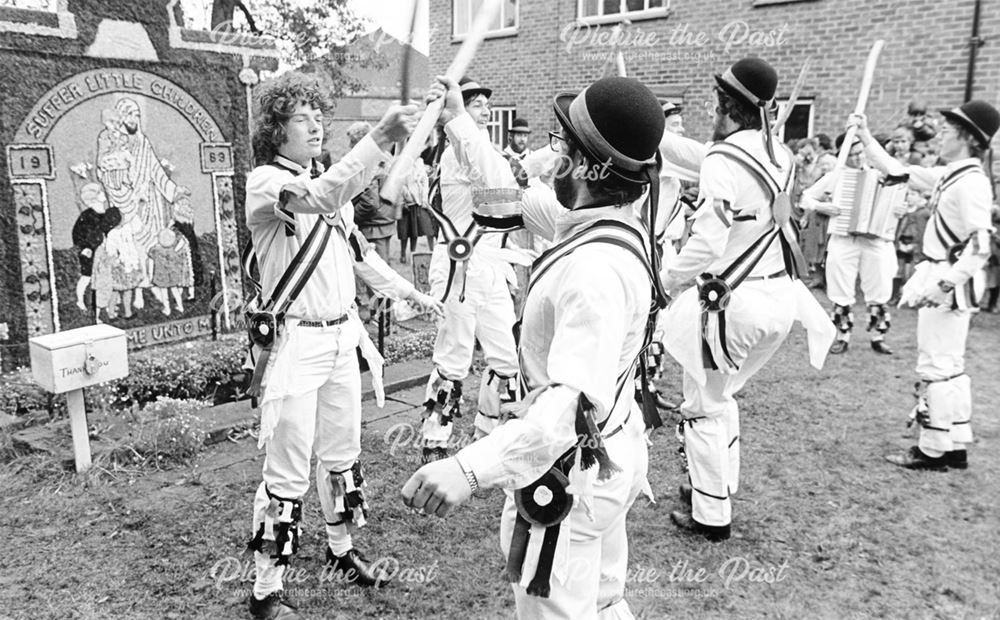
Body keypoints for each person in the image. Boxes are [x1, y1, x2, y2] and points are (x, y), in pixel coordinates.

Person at [403, 73, 664, 619]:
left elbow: (565, 408)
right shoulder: (604, 222)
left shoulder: (594, 267)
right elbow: (509, 194)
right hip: (612, 451)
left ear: (589, 166)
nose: (552, 153)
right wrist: (456, 120)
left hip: (572, 471)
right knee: (604, 603)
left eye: (563, 144)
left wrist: (468, 468)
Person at [242, 72, 440, 620]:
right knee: (286, 470)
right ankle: (265, 590)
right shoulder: (266, 184)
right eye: (301, 117)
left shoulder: (331, 189)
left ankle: (340, 550)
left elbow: (360, 256)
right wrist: (377, 137)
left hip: (341, 338)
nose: (314, 124)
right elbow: (323, 194)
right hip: (294, 345)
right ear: (275, 130)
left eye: (317, 116)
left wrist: (411, 293)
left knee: (341, 455)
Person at [658, 57, 834, 541]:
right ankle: (715, 484)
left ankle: (710, 513)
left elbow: (710, 239)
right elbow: (702, 154)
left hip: (733, 301)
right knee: (722, 396)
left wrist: (668, 279)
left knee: (704, 404)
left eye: (716, 107)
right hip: (780, 297)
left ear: (724, 106)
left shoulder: (721, 158)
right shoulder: (784, 155)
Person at [852, 100, 998, 470]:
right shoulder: (954, 176)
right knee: (948, 362)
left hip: (948, 280)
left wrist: (946, 284)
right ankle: (954, 443)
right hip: (945, 276)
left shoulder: (972, 184)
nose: (941, 135)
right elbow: (902, 170)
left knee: (936, 363)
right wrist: (867, 138)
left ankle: (931, 449)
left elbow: (981, 246)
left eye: (949, 131)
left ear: (967, 138)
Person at [418, 77, 532, 463]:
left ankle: (490, 431)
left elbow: (506, 198)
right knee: (454, 353)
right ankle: (434, 441)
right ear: (458, 112)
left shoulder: (482, 151)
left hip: (489, 264)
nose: (484, 108)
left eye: (485, 102)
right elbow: (499, 190)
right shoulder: (457, 153)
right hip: (458, 265)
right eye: (475, 103)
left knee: (505, 354)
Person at [800, 131, 908, 355]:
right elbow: (806, 197)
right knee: (840, 287)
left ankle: (878, 336)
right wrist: (822, 207)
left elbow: (897, 199)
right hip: (844, 237)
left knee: (879, 287)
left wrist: (899, 210)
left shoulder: (882, 174)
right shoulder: (837, 176)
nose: (858, 159)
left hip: (875, 240)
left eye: (861, 154)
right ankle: (842, 335)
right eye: (853, 154)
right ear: (843, 154)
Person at [396, 159, 436, 264]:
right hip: (405, 203)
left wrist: (424, 200)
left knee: (415, 231)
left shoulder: (420, 164)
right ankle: (403, 253)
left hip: (417, 203)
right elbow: (399, 182)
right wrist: (405, 197)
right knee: (404, 231)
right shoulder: (403, 163)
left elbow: (425, 183)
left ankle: (412, 252)